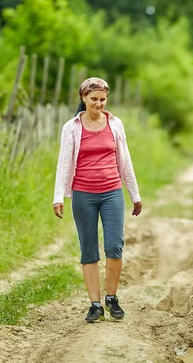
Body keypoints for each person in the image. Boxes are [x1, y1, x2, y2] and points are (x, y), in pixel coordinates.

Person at [53, 77, 142, 323]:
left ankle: (111, 298)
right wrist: (58, 196)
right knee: (89, 249)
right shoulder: (71, 127)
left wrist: (134, 194)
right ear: (83, 98)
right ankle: (95, 304)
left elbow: (125, 161)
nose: (98, 104)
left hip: (112, 191)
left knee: (114, 246)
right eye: (94, 99)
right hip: (83, 195)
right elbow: (63, 163)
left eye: (102, 100)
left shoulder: (115, 124)